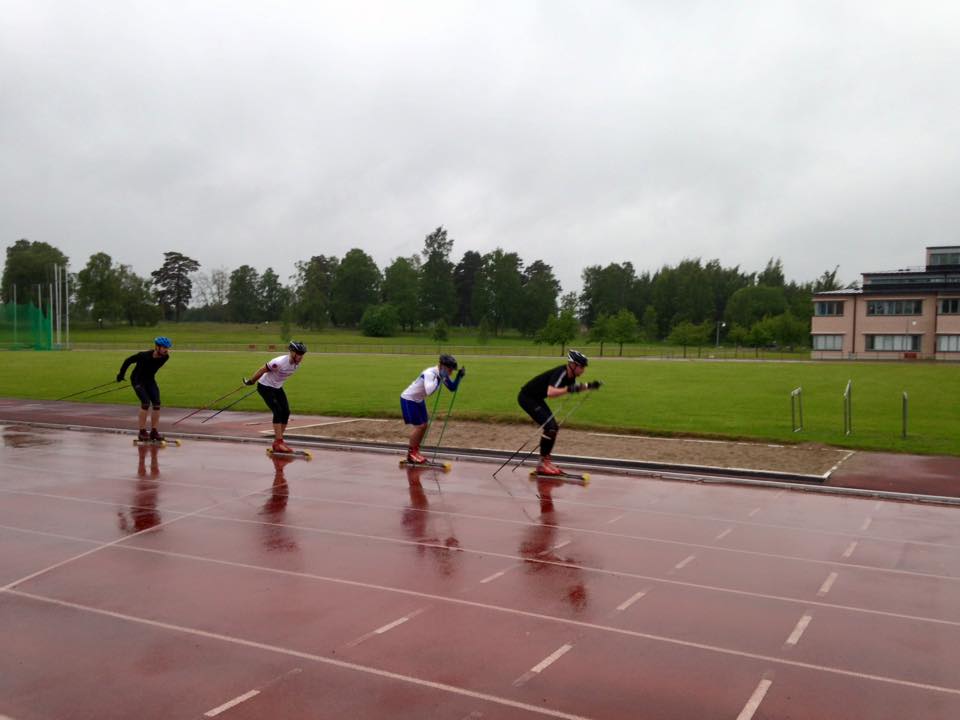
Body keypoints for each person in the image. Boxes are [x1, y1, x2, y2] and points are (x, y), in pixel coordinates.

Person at [517, 349, 601, 476]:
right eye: (582, 366)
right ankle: (542, 464)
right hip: (526, 398)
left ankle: (545, 461)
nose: (583, 370)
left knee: (553, 427)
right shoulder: (561, 372)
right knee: (550, 427)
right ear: (573, 365)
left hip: (536, 399)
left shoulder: (571, 377)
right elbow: (551, 392)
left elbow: (573, 388)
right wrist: (569, 389)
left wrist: (589, 386)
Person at [400, 354, 465, 464]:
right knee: (420, 426)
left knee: (424, 425)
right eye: (450, 370)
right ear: (442, 366)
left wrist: (459, 376)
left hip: (419, 400)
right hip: (409, 399)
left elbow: (452, 388)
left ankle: (415, 452)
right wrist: (441, 377)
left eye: (452, 370)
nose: (451, 373)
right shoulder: (429, 373)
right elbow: (429, 391)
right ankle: (411, 454)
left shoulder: (441, 373)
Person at [243, 341, 307, 454]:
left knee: (286, 412)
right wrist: (251, 381)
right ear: (292, 353)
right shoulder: (278, 362)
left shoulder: (296, 364)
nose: (301, 356)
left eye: (302, 354)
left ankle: (278, 442)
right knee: (277, 411)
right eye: (299, 353)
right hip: (265, 387)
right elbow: (262, 369)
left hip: (277, 387)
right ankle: (279, 442)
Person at [117, 336, 172, 442]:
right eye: (164, 347)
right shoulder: (143, 355)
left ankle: (154, 432)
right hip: (137, 380)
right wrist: (121, 374)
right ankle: (142, 432)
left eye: (167, 348)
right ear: (157, 347)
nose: (166, 350)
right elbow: (128, 361)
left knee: (157, 404)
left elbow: (151, 368)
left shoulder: (165, 357)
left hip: (149, 380)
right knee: (145, 403)